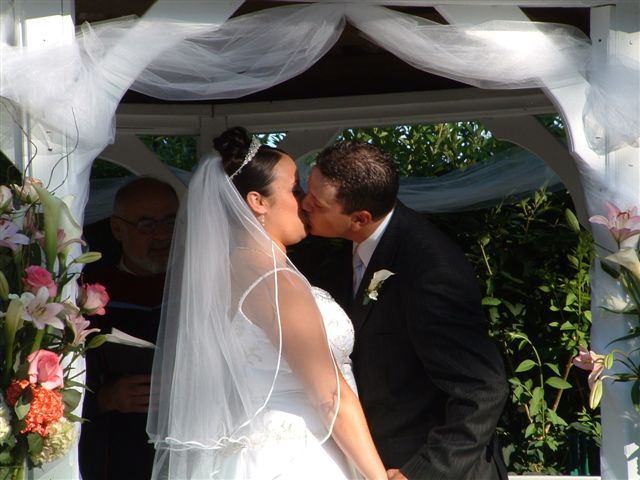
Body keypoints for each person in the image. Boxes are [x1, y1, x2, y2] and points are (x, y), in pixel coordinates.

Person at [147, 127, 386, 479]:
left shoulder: (223, 274)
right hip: (297, 458)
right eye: (295, 189)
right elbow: (331, 396)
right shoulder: (276, 283)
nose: (305, 202)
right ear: (258, 201)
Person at [301, 141, 509, 480]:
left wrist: (422, 472)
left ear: (359, 219)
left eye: (317, 202)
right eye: (308, 190)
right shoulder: (351, 246)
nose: (304, 203)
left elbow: (484, 388)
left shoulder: (430, 269)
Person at [79, 177, 179, 480]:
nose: (161, 235)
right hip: (118, 450)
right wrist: (104, 398)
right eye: (147, 224)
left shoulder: (199, 286)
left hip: (190, 441)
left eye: (170, 222)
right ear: (117, 229)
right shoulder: (87, 293)